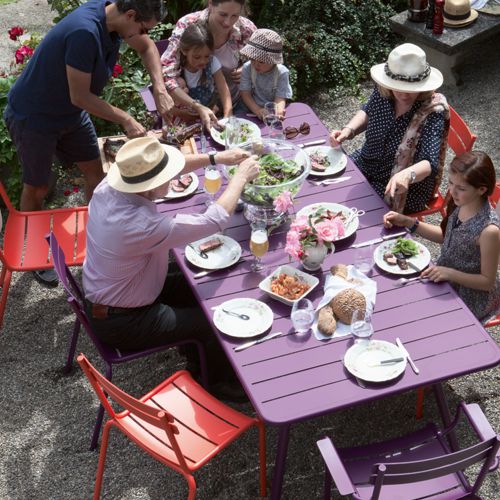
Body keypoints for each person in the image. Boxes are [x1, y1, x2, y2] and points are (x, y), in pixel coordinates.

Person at [4, 0, 175, 285]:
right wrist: (126, 118)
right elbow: (80, 96)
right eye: (143, 27)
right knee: (38, 186)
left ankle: (99, 233)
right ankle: (34, 250)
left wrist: (158, 86)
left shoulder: (115, 18)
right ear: (130, 15)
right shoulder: (85, 31)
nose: (144, 34)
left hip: (69, 114)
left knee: (96, 173)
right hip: (35, 116)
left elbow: (146, 48)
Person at [83, 136, 259, 399]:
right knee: (212, 323)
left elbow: (169, 167)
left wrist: (216, 158)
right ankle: (215, 382)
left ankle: (193, 350)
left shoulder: (109, 186)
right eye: (167, 177)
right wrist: (240, 177)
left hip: (122, 289)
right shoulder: (139, 225)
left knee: (201, 282)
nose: (173, 178)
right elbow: (215, 220)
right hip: (124, 320)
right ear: (150, 186)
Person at [330, 43, 449, 215]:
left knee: (352, 213)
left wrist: (408, 175)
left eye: (410, 90)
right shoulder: (383, 91)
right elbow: (367, 111)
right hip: (367, 161)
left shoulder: (433, 111)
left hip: (399, 186)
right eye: (398, 88)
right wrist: (348, 130)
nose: (403, 94)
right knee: (331, 186)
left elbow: (430, 163)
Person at [383, 151, 500, 322]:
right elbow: (446, 236)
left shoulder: (489, 230)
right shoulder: (462, 202)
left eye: (461, 188)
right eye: (451, 183)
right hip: (443, 275)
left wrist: (450, 273)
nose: (452, 191)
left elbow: (487, 282)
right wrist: (409, 222)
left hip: (468, 298)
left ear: (482, 189)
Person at [161, 0, 256, 130]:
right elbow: (167, 74)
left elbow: (265, 61)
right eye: (223, 14)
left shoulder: (246, 29)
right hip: (191, 111)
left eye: (235, 15)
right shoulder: (188, 25)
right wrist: (195, 106)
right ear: (210, 4)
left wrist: (249, 68)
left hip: (235, 104)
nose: (228, 22)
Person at [176, 21, 233, 119]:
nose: (203, 61)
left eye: (207, 56)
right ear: (184, 51)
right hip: (186, 117)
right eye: (197, 57)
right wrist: (184, 114)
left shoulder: (212, 62)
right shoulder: (177, 70)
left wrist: (228, 114)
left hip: (211, 114)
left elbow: (223, 89)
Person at [239, 28, 292, 120]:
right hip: (249, 107)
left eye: (261, 61)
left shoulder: (281, 73)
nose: (256, 64)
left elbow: (280, 97)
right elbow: (245, 94)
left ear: (273, 60)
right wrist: (257, 110)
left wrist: (278, 111)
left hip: (270, 110)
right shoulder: (248, 68)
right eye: (252, 59)